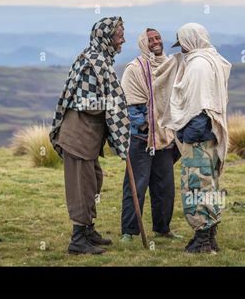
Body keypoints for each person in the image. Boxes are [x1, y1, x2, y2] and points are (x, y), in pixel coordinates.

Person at [49, 16, 130, 255]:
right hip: (78, 136)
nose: (123, 38)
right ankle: (78, 240)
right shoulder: (91, 62)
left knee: (93, 181)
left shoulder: (101, 60)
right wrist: (112, 103)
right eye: (119, 34)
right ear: (106, 37)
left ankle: (88, 230)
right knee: (81, 187)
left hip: (89, 138)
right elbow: (83, 101)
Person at [162, 22, 231, 253]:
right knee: (209, 185)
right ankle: (209, 237)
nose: (181, 49)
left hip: (199, 137)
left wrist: (188, 135)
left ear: (190, 41)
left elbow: (200, 104)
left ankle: (202, 240)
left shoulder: (198, 65)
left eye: (182, 44)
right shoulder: (211, 59)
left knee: (196, 187)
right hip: (210, 136)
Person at [119, 28, 182, 242]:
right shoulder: (134, 69)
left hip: (165, 137)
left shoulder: (169, 65)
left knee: (164, 185)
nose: (155, 42)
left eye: (157, 38)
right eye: (150, 39)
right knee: (136, 185)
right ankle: (129, 231)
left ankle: (162, 228)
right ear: (143, 43)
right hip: (141, 139)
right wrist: (146, 126)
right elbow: (128, 105)